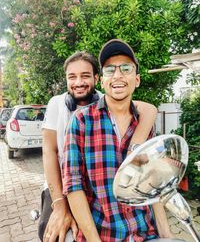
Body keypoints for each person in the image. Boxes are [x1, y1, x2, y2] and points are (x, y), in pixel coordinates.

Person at [41, 50, 157, 242]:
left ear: (97, 79)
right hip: (58, 182)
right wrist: (60, 205)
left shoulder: (110, 94)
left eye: (85, 76)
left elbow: (147, 109)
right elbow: (49, 152)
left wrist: (134, 147)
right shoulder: (57, 104)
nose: (79, 82)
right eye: (72, 77)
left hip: (95, 185)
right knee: (52, 233)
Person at [62, 39, 172, 242]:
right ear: (102, 81)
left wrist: (166, 234)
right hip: (103, 235)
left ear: (137, 79)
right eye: (110, 70)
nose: (118, 75)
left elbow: (153, 182)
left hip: (144, 234)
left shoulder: (144, 125)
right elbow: (73, 186)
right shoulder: (81, 122)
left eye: (126, 68)